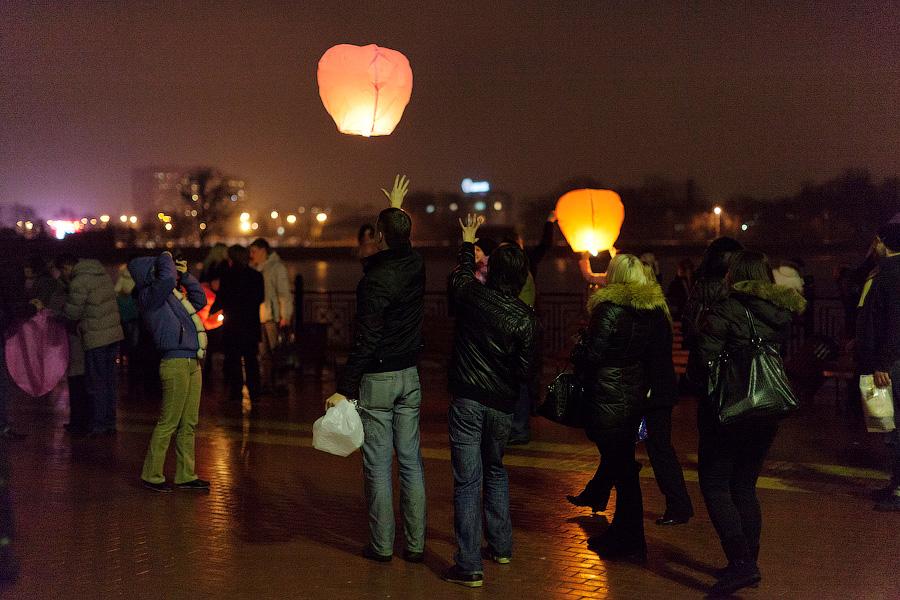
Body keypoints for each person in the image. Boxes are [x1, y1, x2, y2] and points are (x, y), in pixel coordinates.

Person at [324, 175, 428, 564]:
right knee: (411, 462)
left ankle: (383, 546)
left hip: (380, 378)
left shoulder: (374, 281)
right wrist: (398, 211)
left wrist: (345, 387)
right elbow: (405, 243)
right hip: (410, 375)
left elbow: (366, 340)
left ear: (380, 237)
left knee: (378, 465)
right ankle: (416, 545)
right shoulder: (416, 265)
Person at [696, 250, 805, 596]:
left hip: (730, 411)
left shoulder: (725, 310)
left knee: (715, 484)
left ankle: (742, 564)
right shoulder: (777, 313)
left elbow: (704, 364)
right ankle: (747, 561)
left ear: (734, 275)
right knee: (744, 485)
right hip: (767, 410)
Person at [441, 215, 538, 588]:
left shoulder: (473, 297)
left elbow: (459, 278)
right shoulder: (526, 319)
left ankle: (468, 565)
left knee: (468, 481)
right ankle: (501, 546)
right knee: (495, 470)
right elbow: (528, 370)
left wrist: (467, 243)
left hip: (467, 398)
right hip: (501, 404)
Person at [570, 254, 676, 562]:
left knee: (623, 471)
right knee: (624, 467)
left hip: (608, 395)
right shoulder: (649, 310)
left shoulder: (608, 310)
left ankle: (629, 539)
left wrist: (580, 345)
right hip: (633, 394)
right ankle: (626, 534)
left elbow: (593, 354)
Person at [129, 252, 210, 492]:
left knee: (189, 423)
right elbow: (165, 280)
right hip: (174, 363)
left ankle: (186, 475)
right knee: (169, 422)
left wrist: (185, 276)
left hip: (192, 362)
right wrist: (166, 256)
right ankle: (151, 475)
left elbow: (200, 300)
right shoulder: (148, 297)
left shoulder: (172, 297)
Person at [856, 222, 900, 512]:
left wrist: (878, 362)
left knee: (894, 426)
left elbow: (876, 322)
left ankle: (897, 488)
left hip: (891, 362)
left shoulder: (883, 275)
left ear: (882, 243)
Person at [57, 254, 124, 436]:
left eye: (63, 269)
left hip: (96, 338)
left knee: (97, 383)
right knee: (110, 382)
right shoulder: (101, 274)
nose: (63, 274)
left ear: (69, 266)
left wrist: (60, 313)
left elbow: (73, 312)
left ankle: (99, 424)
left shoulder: (79, 281)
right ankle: (110, 422)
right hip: (113, 335)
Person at [682, 237, 744, 396]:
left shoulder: (699, 286)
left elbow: (689, 324)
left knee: (707, 410)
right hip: (729, 364)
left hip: (702, 363)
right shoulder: (733, 289)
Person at [211, 245, 265, 407]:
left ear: (232, 258)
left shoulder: (227, 276)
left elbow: (221, 299)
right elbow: (260, 298)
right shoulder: (256, 276)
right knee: (251, 360)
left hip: (232, 324)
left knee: (233, 360)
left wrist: (209, 312)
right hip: (250, 324)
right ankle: (255, 393)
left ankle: (236, 393)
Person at [249, 237, 293, 394]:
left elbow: (283, 293)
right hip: (259, 316)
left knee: (276, 352)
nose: (251, 254)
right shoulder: (255, 267)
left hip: (272, 317)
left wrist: (285, 316)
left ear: (263, 251)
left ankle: (277, 383)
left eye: (253, 251)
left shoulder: (276, 267)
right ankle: (267, 383)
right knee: (263, 353)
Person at [0, 260, 37, 439]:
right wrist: (33, 308)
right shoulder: (8, 290)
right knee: (2, 385)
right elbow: (13, 311)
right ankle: (3, 425)